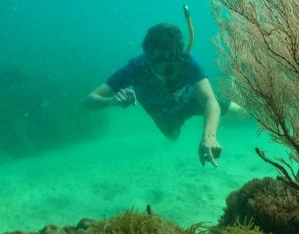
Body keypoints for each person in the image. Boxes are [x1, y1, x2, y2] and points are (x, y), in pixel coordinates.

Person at [84, 22, 230, 167]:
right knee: (172, 136)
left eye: (173, 58)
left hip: (189, 100)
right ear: (148, 57)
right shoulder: (136, 68)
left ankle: (250, 110)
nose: (170, 66)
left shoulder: (188, 63)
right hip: (163, 114)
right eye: (162, 59)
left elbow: (209, 100)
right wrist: (112, 101)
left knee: (229, 107)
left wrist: (209, 136)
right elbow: (88, 102)